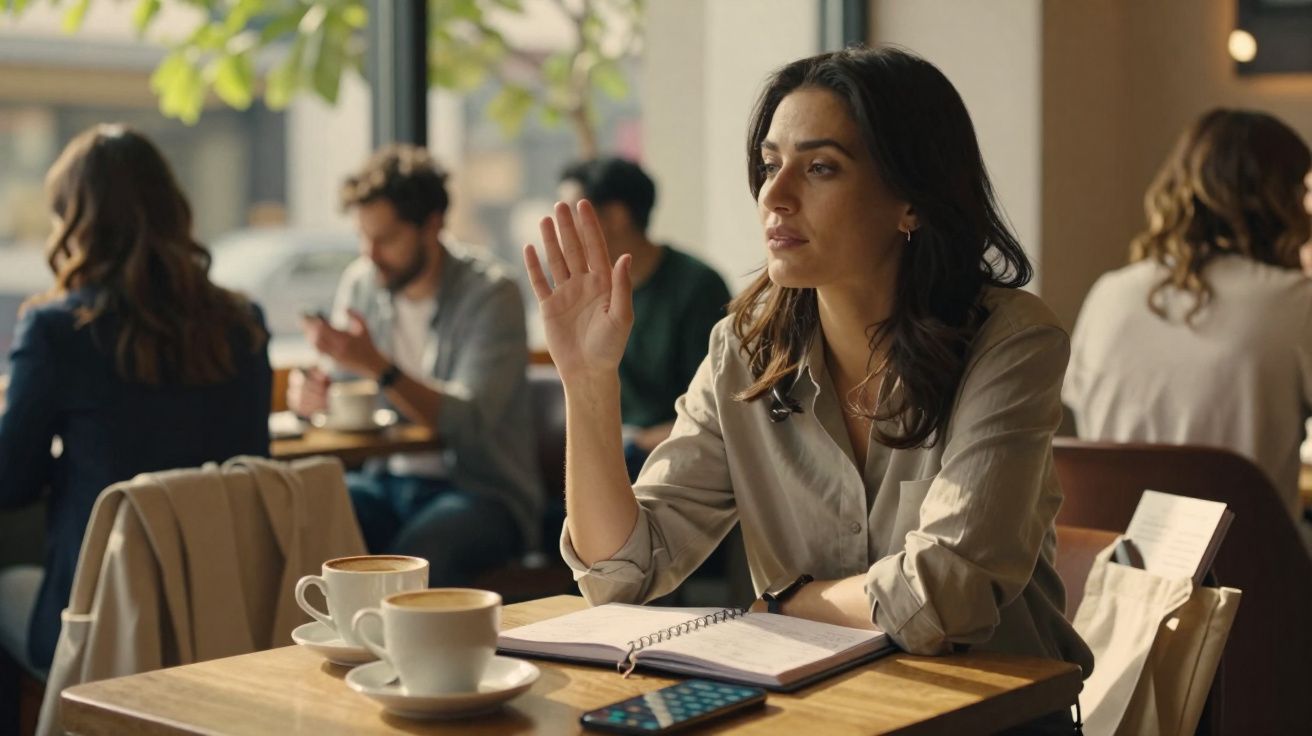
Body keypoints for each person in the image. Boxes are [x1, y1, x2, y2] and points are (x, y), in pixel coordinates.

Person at [525, 47, 1091, 732]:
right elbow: (622, 573)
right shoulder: (744, 348)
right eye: (769, 165)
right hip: (816, 716)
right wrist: (588, 384)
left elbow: (948, 593)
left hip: (988, 721)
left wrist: (792, 603)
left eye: (820, 168)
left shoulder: (1011, 340)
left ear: (911, 199)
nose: (774, 194)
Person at [0, 125, 272, 676]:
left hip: (106, 630)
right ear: (174, 210)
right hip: (227, 622)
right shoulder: (243, 323)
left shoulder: (57, 331)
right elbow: (254, 462)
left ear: (76, 222)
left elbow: (9, 482)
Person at [287, 145, 542, 586]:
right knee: (306, 520)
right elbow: (345, 387)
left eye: (385, 239)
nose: (370, 254)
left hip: (481, 490)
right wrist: (309, 397)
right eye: (363, 237)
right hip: (386, 480)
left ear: (432, 225)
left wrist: (379, 367)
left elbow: (469, 418)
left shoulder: (492, 293)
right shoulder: (364, 283)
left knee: (419, 556)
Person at [1064, 109, 1312, 520]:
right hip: (1251, 574)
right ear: (1280, 200)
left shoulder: (1108, 294)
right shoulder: (1296, 302)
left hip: (1113, 572)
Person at [557, 157, 732, 480]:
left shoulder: (696, 286)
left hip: (675, 456)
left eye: (572, 215)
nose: (563, 231)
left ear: (616, 217)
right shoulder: (591, 294)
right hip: (617, 449)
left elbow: (718, 409)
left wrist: (635, 443)